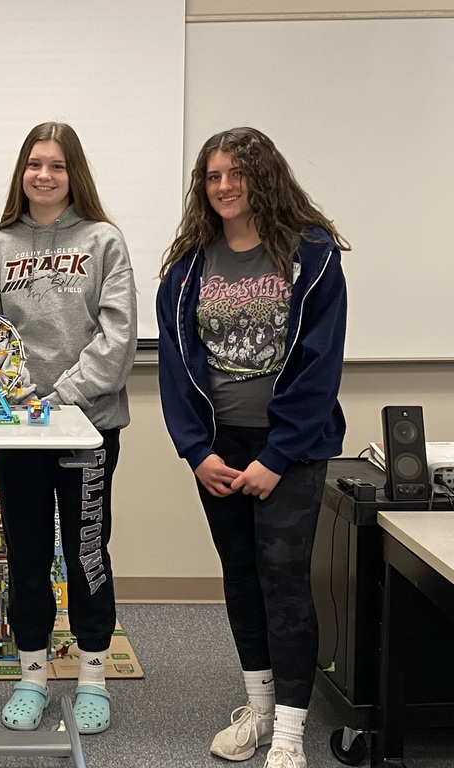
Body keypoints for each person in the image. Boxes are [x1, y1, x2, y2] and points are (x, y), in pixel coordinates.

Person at [156, 127, 348, 768]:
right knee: (240, 578)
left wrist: (277, 456)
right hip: (221, 447)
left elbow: (320, 366)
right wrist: (196, 451)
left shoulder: (312, 257)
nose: (224, 187)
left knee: (284, 581)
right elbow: (177, 371)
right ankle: (259, 711)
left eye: (236, 173)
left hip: (292, 448)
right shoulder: (186, 270)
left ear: (263, 177)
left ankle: (290, 730)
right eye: (212, 176)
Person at [0, 122, 137, 735]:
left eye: (57, 165)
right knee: (28, 554)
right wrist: (15, 399)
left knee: (88, 552)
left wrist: (55, 401)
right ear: (22, 172)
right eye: (34, 164)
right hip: (19, 432)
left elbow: (116, 341)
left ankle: (93, 675)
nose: (44, 174)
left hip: (86, 428)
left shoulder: (104, 241)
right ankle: (32, 676)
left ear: (74, 174)